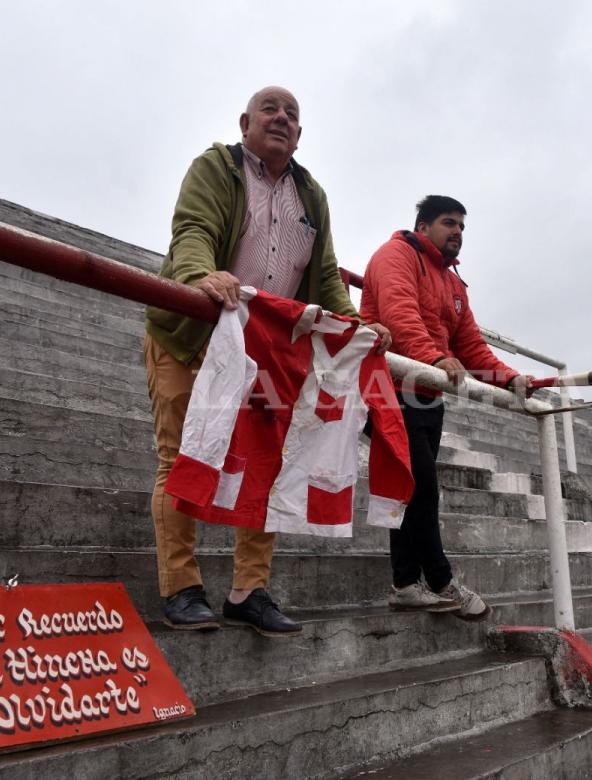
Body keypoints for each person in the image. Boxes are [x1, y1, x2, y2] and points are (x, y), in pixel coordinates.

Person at [143, 86, 391, 637]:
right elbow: (194, 231)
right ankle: (181, 587)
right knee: (180, 456)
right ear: (245, 122)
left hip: (266, 350)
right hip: (191, 334)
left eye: (292, 115)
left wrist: (354, 326)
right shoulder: (217, 166)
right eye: (270, 110)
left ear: (300, 134)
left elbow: (325, 276)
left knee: (269, 463)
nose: (281, 118)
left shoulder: (311, 194)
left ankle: (247, 591)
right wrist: (197, 277)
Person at [360, 195, 534, 620]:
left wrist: (507, 377)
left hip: (428, 396)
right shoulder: (395, 255)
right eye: (447, 223)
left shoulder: (454, 284)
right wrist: (434, 359)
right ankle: (441, 579)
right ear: (423, 227)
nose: (456, 232)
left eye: (461, 226)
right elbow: (399, 317)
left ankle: (404, 583)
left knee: (410, 487)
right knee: (421, 485)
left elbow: (471, 344)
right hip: (386, 386)